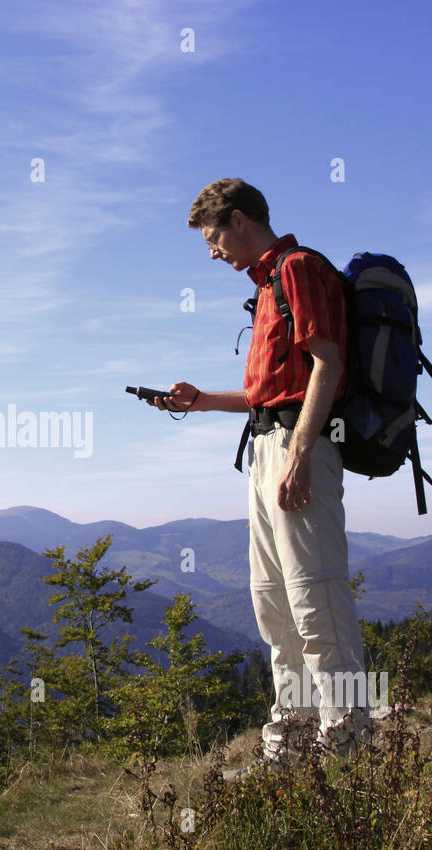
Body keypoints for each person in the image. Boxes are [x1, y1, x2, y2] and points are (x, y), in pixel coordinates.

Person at [156, 178, 371, 776]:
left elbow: (328, 363)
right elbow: (262, 394)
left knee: (316, 600)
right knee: (275, 606)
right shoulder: (269, 283)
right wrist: (198, 401)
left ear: (241, 219)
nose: (212, 252)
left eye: (213, 237)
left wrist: (301, 453)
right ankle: (293, 747)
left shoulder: (297, 270)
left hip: (299, 447)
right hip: (266, 446)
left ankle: (348, 754)